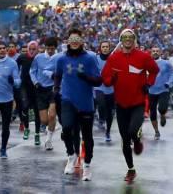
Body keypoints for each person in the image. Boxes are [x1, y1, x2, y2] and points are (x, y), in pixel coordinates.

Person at [100, 28, 159, 184]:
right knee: (125, 139)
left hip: (137, 103)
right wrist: (110, 80)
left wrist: (149, 83)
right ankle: (131, 169)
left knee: (132, 130)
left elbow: (154, 70)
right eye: (124, 37)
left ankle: (137, 140)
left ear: (134, 39)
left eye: (130, 37)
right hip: (120, 104)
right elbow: (105, 77)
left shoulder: (143, 57)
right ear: (121, 40)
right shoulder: (114, 58)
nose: (127, 39)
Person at [54, 29, 102, 181]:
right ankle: (71, 155)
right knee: (66, 128)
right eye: (71, 39)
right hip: (68, 99)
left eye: (77, 39)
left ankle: (87, 166)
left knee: (87, 136)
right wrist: (56, 88)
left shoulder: (89, 58)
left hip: (86, 103)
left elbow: (98, 80)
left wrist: (86, 77)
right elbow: (58, 75)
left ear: (82, 41)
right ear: (68, 42)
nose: (74, 41)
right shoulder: (62, 59)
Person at [30, 38, 59, 148]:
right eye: (48, 48)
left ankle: (48, 141)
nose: (50, 51)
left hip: (53, 89)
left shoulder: (59, 58)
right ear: (45, 47)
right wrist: (36, 82)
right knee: (44, 120)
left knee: (52, 115)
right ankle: (49, 127)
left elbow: (62, 72)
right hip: (40, 90)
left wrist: (53, 75)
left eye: (52, 49)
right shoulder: (38, 58)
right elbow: (32, 71)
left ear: (55, 48)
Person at [148, 47, 173, 139]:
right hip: (151, 90)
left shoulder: (166, 63)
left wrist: (168, 83)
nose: (155, 52)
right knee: (152, 112)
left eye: (157, 51)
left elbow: (172, 73)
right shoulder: (147, 63)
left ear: (160, 53)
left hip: (164, 89)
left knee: (162, 108)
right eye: (153, 51)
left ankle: (162, 114)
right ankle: (156, 132)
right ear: (151, 53)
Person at [94, 41, 116, 142]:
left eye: (107, 47)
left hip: (111, 88)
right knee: (101, 103)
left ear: (109, 48)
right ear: (100, 48)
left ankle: (108, 132)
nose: (105, 48)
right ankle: (101, 118)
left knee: (110, 113)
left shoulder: (113, 59)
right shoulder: (96, 59)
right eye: (103, 47)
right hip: (99, 87)